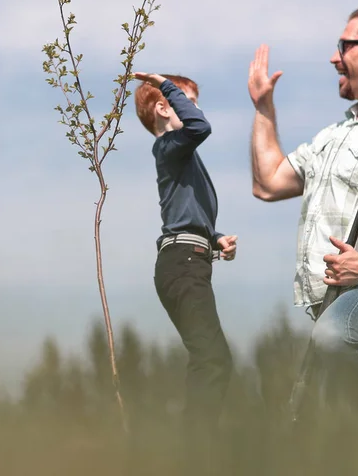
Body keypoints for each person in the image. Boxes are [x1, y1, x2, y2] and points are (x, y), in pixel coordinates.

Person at [248, 7, 358, 373]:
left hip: (354, 302)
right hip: (332, 306)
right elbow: (269, 183)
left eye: (344, 45)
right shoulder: (334, 135)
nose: (334, 57)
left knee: (334, 336)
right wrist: (263, 107)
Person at [133, 71, 237, 473]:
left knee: (211, 359)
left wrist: (216, 240)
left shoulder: (180, 156)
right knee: (213, 360)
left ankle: (196, 452)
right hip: (182, 264)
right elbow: (200, 125)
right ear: (164, 108)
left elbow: (185, 217)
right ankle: (194, 456)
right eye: (186, 102)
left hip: (190, 259)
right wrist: (171, 86)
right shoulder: (169, 147)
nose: (196, 109)